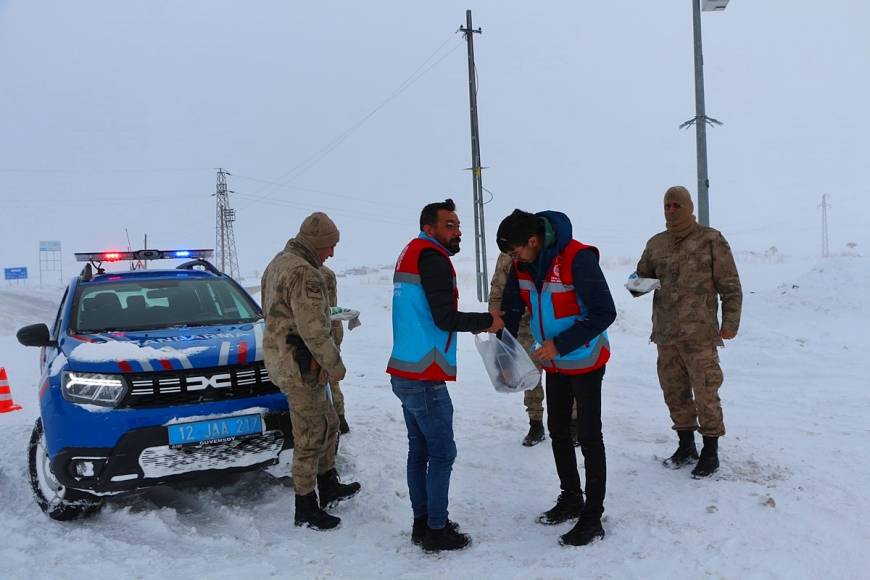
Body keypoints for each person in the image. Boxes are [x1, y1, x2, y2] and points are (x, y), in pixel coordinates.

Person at [387, 198, 504, 552]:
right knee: (442, 453)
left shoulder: (411, 252)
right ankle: (436, 530)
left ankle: (422, 522)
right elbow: (445, 318)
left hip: (405, 368)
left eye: (457, 224)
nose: (458, 231)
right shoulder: (433, 258)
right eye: (449, 225)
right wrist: (488, 321)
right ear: (430, 228)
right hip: (423, 373)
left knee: (419, 449)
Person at [496, 209, 616, 547]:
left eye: (515, 251)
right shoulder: (522, 265)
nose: (512, 259)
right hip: (555, 363)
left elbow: (605, 312)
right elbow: (511, 308)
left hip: (585, 358)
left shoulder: (577, 258)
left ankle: (592, 516)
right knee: (559, 430)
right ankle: (571, 497)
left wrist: (560, 343)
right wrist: (500, 348)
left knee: (589, 435)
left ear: (533, 241)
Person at [634, 185, 742, 478]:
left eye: (676, 206)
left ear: (688, 207)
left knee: (706, 390)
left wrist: (730, 323)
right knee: (674, 391)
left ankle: (710, 451)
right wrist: (636, 283)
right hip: (666, 334)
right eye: (667, 206)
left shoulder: (710, 239)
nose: (671, 211)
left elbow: (730, 286)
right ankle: (686, 446)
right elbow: (642, 276)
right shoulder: (656, 244)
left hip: (700, 334)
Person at [261, 212, 361, 530]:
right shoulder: (304, 273)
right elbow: (314, 329)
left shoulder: (279, 262)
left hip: (285, 359)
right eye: (330, 246)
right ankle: (305, 506)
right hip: (300, 365)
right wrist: (335, 366)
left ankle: (328, 483)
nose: (331, 253)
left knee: (329, 422)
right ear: (317, 243)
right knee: (309, 434)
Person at [490, 252, 581, 447]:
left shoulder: (552, 250)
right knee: (529, 375)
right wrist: (495, 319)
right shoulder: (507, 255)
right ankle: (535, 423)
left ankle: (574, 424)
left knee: (566, 374)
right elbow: (497, 288)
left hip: (552, 324)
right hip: (522, 323)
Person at [321, 264, 351, 435]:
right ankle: (340, 417)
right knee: (332, 377)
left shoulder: (315, 274)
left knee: (327, 376)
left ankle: (336, 419)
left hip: (325, 331)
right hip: (333, 328)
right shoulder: (327, 273)